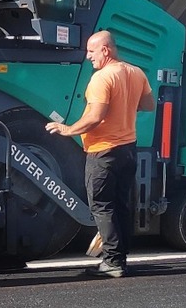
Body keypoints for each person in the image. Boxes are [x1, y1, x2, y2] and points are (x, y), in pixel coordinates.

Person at [46, 30, 152, 278]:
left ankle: (113, 262)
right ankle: (121, 257)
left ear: (106, 50)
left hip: (103, 151)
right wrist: (123, 104)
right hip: (128, 149)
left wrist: (68, 129)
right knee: (121, 206)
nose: (88, 57)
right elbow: (148, 105)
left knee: (103, 207)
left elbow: (95, 117)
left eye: (91, 51)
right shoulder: (136, 72)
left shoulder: (102, 78)